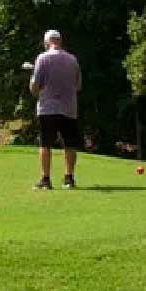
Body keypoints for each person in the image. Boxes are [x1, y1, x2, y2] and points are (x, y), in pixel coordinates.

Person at [29, 30, 82, 190]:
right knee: (70, 144)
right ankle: (69, 178)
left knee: (45, 144)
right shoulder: (72, 59)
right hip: (69, 107)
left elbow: (35, 87)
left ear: (47, 43)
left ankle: (45, 180)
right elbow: (78, 86)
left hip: (48, 107)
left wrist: (32, 81)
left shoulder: (43, 58)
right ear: (60, 41)